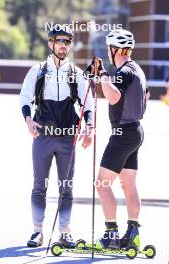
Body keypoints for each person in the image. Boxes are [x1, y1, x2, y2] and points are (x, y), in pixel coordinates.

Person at [20, 25, 93, 248]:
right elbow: (24, 98)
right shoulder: (38, 71)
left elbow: (88, 104)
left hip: (67, 138)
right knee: (39, 185)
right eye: (59, 41)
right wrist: (29, 120)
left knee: (66, 186)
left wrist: (89, 126)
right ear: (50, 43)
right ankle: (37, 231)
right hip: (42, 137)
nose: (63, 46)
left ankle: (64, 232)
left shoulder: (76, 73)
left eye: (67, 42)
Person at [86, 29, 148, 249]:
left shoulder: (124, 72)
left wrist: (102, 75)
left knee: (101, 184)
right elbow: (144, 95)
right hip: (135, 131)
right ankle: (133, 234)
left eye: (108, 49)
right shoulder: (137, 69)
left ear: (114, 49)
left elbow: (113, 97)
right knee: (128, 184)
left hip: (122, 134)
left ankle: (111, 234)